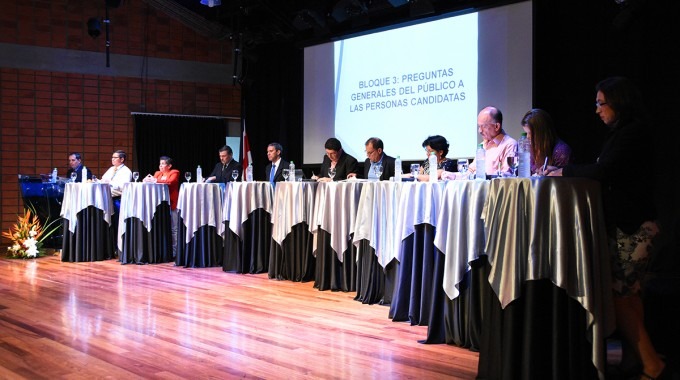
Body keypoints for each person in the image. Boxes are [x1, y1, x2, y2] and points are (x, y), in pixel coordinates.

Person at [545, 77, 665, 380]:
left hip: (633, 226)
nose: (596, 110)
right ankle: (633, 359)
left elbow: (603, 170)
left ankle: (653, 366)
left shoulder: (632, 133)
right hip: (632, 223)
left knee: (622, 298)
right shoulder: (624, 132)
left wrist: (564, 171)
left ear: (618, 102)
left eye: (601, 103)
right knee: (630, 296)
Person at [443, 106, 517, 180]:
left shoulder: (510, 144)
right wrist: (451, 175)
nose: (480, 131)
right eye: (479, 126)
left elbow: (507, 176)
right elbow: (470, 171)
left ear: (497, 126)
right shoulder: (483, 145)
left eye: (484, 126)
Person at [144, 156, 180, 258]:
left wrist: (155, 181)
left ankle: (175, 252)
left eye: (163, 163)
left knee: (174, 228)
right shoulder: (157, 173)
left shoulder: (174, 172)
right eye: (160, 163)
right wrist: (147, 180)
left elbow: (170, 182)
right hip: (160, 205)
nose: (160, 165)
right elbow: (152, 181)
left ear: (169, 166)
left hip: (172, 203)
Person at [520, 109, 572, 175]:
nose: (527, 137)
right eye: (526, 133)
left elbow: (564, 181)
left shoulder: (561, 150)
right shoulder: (530, 147)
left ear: (541, 132)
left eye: (530, 133)